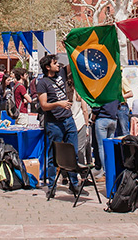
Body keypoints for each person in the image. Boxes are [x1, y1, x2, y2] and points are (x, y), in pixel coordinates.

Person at [37, 54, 81, 195]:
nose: (58, 65)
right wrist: (58, 104)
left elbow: (73, 63)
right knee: (53, 156)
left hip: (69, 120)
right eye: (55, 63)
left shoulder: (62, 73)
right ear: (47, 67)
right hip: (54, 123)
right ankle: (51, 187)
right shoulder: (43, 83)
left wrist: (69, 47)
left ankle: (74, 184)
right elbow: (44, 105)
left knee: (73, 152)